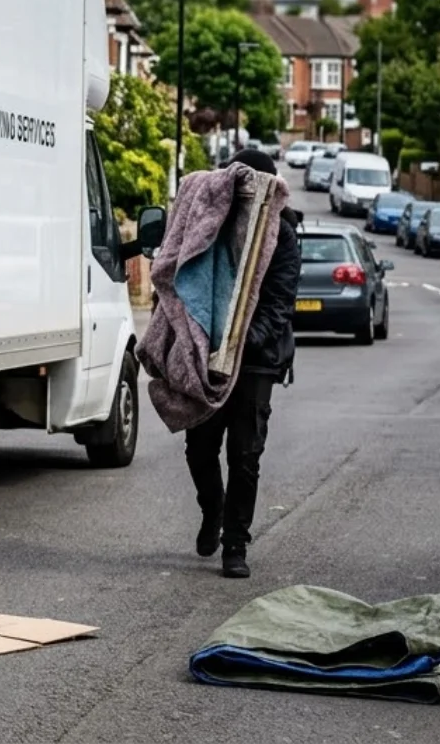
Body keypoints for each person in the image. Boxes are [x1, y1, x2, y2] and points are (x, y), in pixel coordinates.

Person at [186, 147, 299, 579]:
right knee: (199, 445)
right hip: (209, 352)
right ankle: (212, 508)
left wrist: (240, 344)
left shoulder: (283, 236)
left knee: (245, 453)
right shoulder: (213, 222)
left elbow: (278, 304)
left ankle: (236, 545)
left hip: (256, 360)